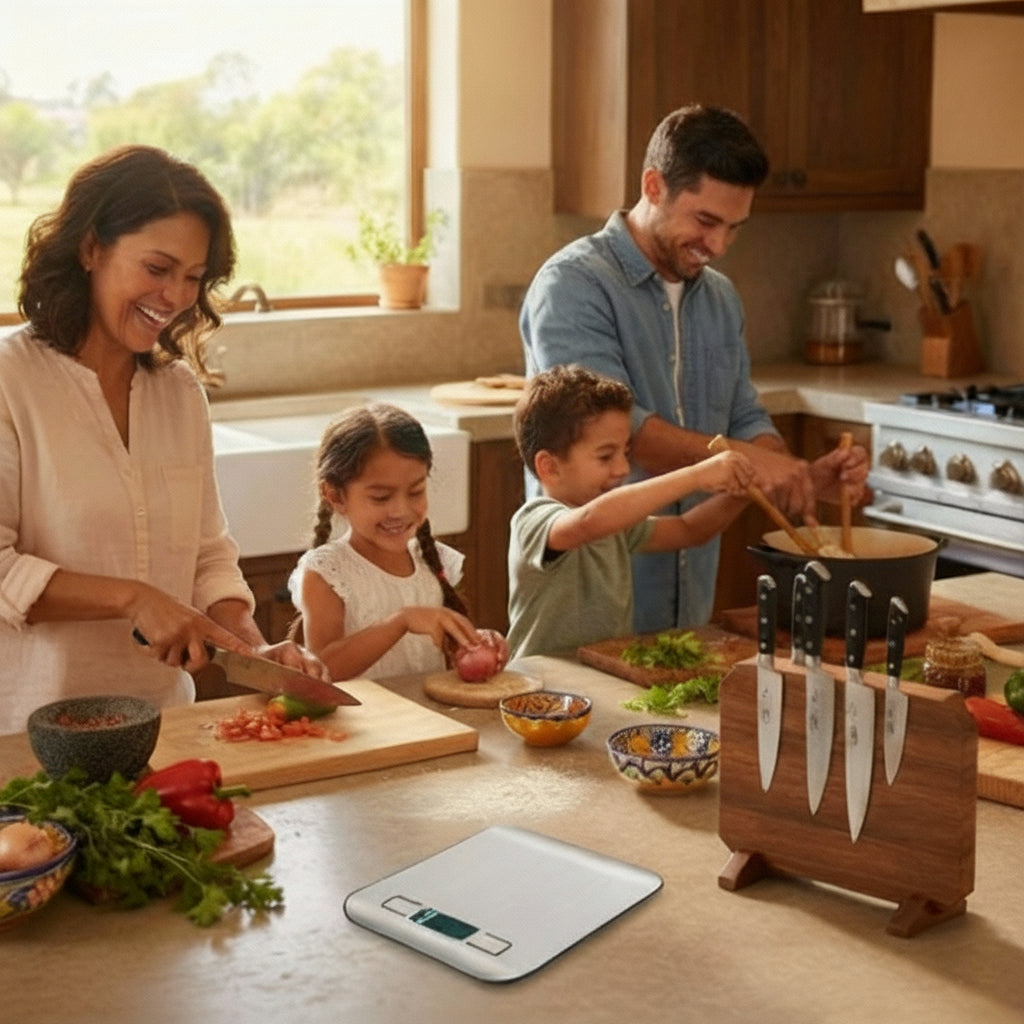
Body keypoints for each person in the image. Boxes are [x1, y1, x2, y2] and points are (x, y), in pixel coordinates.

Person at [0, 144, 329, 736]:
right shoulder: (9, 381)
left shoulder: (178, 394)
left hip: (163, 728)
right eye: (157, 269)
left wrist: (251, 647)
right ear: (91, 248)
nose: (176, 296)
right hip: (30, 737)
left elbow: (206, 553)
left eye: (193, 279)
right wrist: (134, 598)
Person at [520, 104, 868, 633]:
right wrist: (748, 461)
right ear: (654, 186)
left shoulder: (721, 299)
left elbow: (746, 415)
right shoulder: (573, 285)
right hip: (594, 607)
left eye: (735, 228)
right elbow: (629, 433)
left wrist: (795, 474)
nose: (719, 245)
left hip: (689, 600)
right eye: (706, 221)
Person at [507, 364, 756, 659]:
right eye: (605, 456)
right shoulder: (534, 519)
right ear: (549, 466)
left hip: (601, 678)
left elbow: (690, 530)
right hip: (541, 690)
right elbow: (587, 523)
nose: (623, 469)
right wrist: (696, 475)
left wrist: (742, 494)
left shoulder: (617, 524)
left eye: (624, 453)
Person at [289, 402, 508, 680]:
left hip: (431, 719)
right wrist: (401, 621)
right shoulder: (327, 571)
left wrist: (474, 645)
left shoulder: (431, 559)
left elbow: (433, 653)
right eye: (381, 497)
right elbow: (322, 670)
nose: (401, 510)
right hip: (367, 723)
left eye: (416, 492)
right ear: (335, 496)